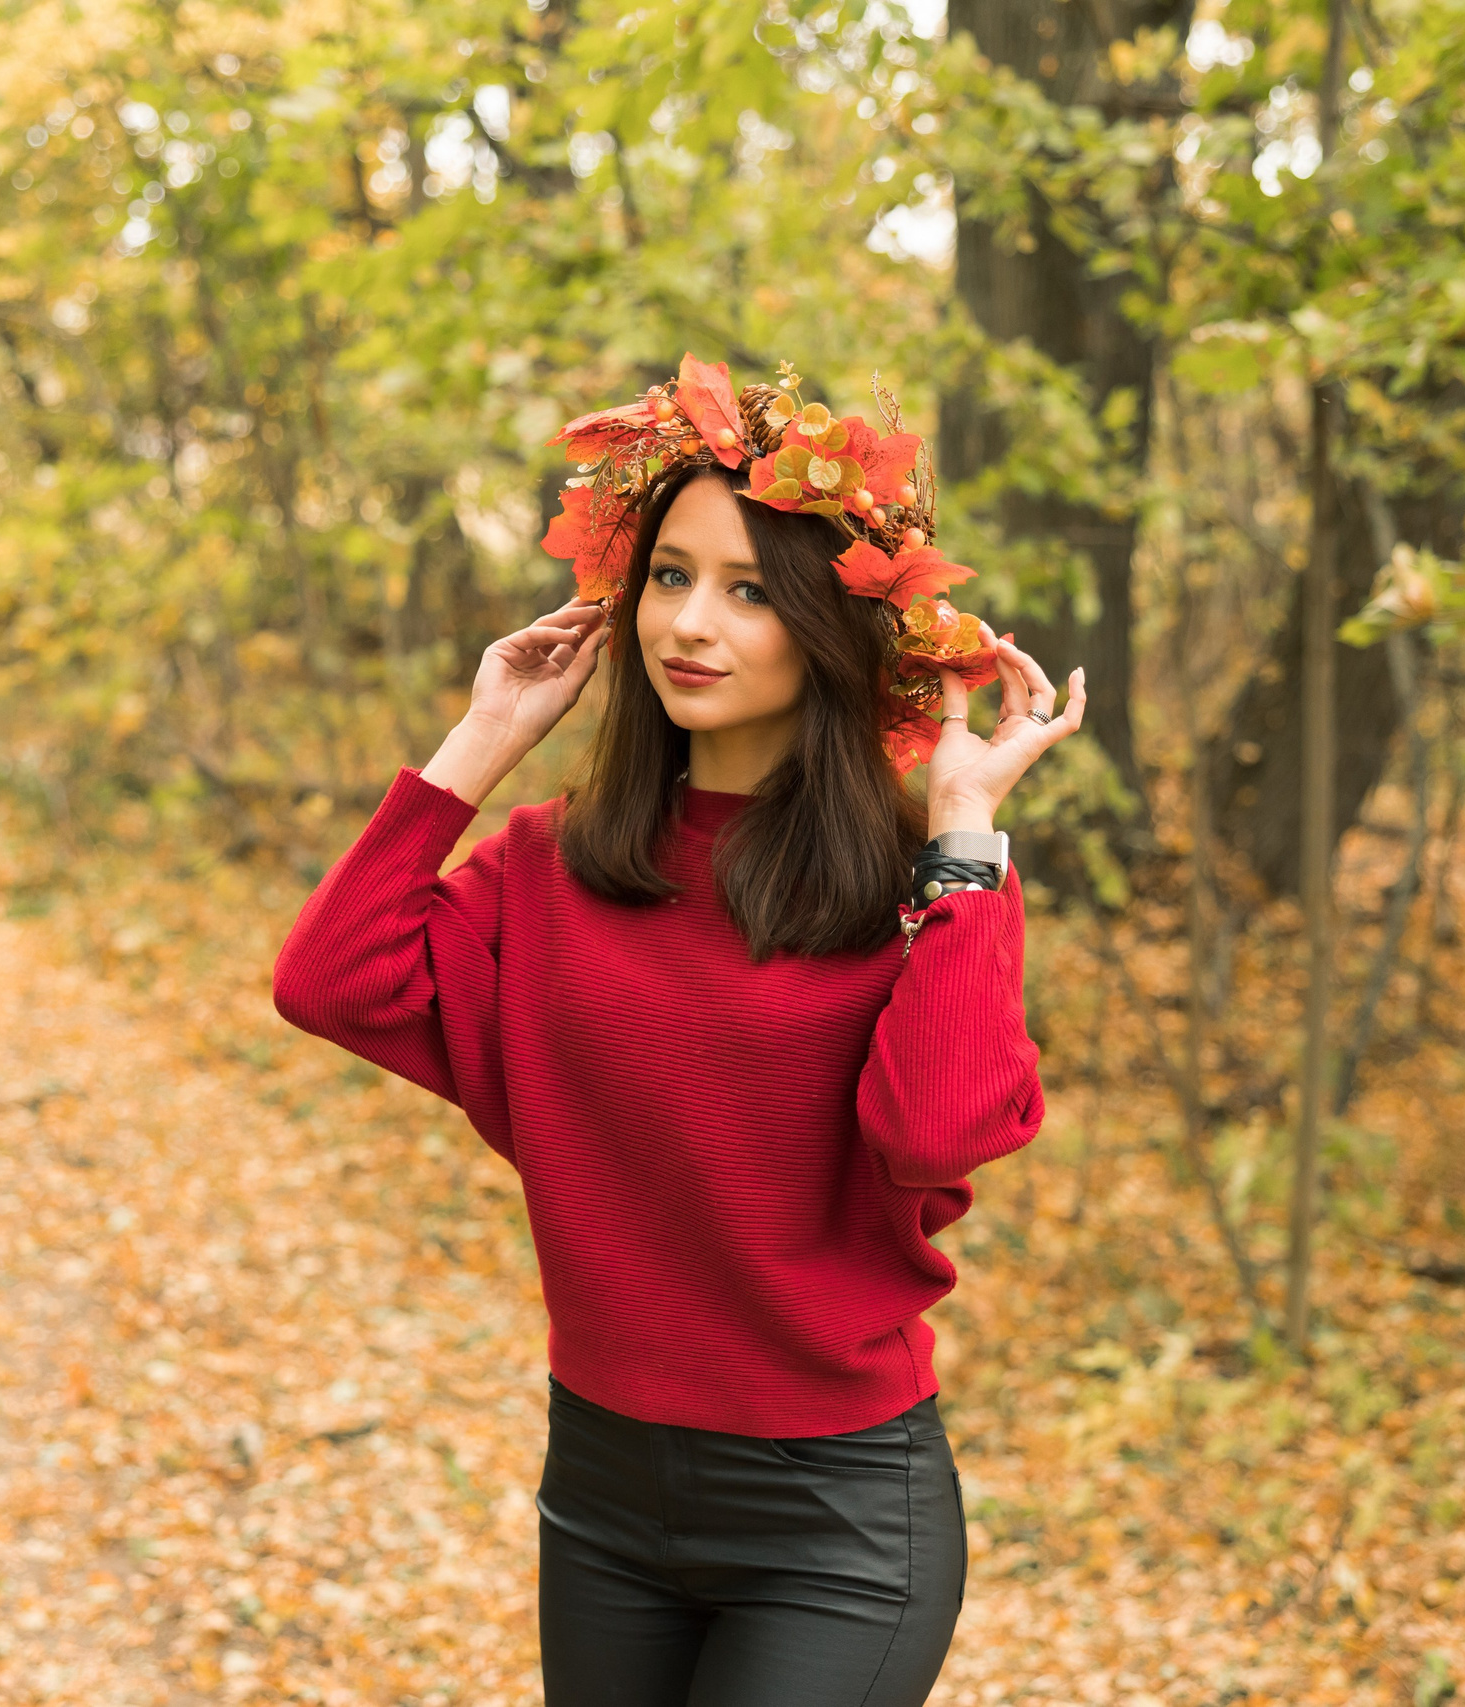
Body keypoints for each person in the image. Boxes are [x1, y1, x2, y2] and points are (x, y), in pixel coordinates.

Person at [272, 355, 1084, 1706]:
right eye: (669, 576)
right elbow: (332, 983)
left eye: (750, 590)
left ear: (828, 625)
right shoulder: (547, 870)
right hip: (602, 1498)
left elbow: (935, 1133)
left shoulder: (917, 893)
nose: (689, 623)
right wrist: (483, 740)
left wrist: (964, 838)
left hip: (832, 1520)